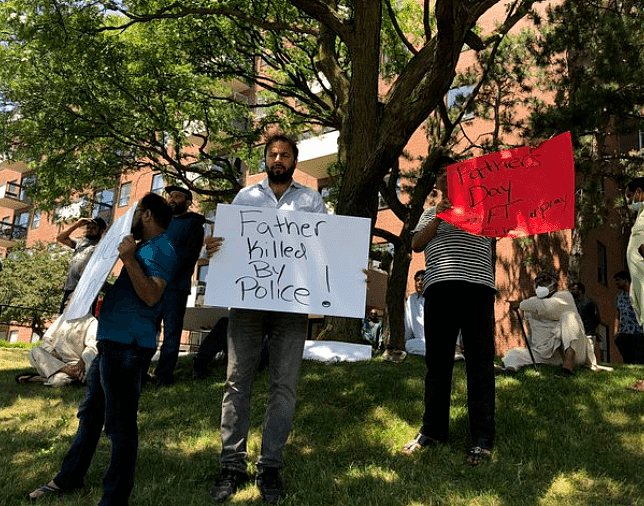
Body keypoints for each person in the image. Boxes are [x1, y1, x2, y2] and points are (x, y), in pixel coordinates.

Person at [27, 193, 176, 506]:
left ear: (147, 215)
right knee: (90, 414)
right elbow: (134, 290)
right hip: (110, 343)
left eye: (135, 214)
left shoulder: (161, 247)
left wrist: (129, 260)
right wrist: (94, 285)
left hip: (128, 347)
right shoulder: (142, 248)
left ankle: (114, 499)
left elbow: (151, 295)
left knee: (120, 425)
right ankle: (68, 477)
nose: (130, 221)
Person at [206, 133, 326, 504]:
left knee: (284, 387)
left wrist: (347, 269)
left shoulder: (311, 200)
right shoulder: (245, 197)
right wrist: (215, 247)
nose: (278, 158)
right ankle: (231, 465)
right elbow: (230, 244)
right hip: (246, 304)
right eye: (273, 153)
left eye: (285, 154)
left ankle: (270, 466)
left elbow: (326, 245)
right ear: (265, 159)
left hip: (291, 306)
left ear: (294, 160)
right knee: (236, 383)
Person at [401, 155, 496, 466]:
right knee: (437, 364)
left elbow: (501, 227)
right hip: (440, 291)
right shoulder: (430, 213)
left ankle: (482, 436)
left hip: (478, 290)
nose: (445, 178)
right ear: (435, 181)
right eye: (440, 174)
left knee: (480, 365)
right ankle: (432, 430)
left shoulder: (483, 210)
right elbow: (415, 244)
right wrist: (439, 218)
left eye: (452, 173)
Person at [502, 270, 607, 375]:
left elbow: (546, 307)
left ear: (555, 283)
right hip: (550, 355)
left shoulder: (565, 296)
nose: (540, 284)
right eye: (538, 281)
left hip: (575, 353)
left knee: (568, 316)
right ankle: (509, 370)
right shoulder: (531, 303)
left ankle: (568, 365)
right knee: (513, 353)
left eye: (545, 281)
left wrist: (520, 304)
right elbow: (532, 332)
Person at [152, 185, 205, 387]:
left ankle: (163, 376)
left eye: (177, 196)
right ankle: (139, 372)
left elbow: (188, 256)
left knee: (172, 333)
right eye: (170, 196)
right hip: (152, 286)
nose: (172, 199)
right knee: (147, 329)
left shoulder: (193, 224)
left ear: (188, 202)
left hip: (175, 287)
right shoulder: (162, 223)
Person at [15, 312, 98, 387]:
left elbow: (92, 347)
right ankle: (68, 371)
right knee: (35, 351)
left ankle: (38, 378)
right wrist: (52, 352)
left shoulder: (91, 321)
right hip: (54, 361)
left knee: (58, 382)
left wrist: (83, 361)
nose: (66, 303)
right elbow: (46, 339)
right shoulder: (62, 318)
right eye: (66, 302)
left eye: (69, 301)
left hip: (75, 365)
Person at [57, 217, 107, 313]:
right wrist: (77, 224)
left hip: (87, 292)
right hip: (70, 289)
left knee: (81, 324)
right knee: (63, 323)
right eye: (88, 227)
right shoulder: (79, 243)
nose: (89, 229)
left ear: (102, 230)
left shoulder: (102, 246)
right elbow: (60, 238)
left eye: (94, 228)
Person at [614, 271, 644, 364]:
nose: (616, 283)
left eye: (618, 280)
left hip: (638, 331)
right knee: (628, 359)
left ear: (625, 280)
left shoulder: (637, 294)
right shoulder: (619, 297)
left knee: (639, 359)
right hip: (624, 331)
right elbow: (618, 314)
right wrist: (616, 330)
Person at [404, 270, 425, 356]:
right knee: (409, 345)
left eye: (422, 280)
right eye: (417, 280)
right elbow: (408, 323)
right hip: (419, 341)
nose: (419, 283)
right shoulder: (411, 299)